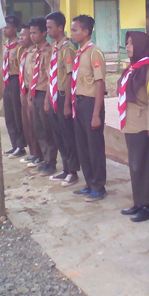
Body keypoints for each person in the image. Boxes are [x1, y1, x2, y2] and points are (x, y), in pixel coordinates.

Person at [118, 31, 149, 222]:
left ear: (142, 46)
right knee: (135, 166)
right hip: (130, 123)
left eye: (131, 43)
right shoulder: (133, 68)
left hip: (143, 125)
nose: (127, 46)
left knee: (144, 165)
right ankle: (139, 201)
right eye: (126, 43)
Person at [69, 15, 108, 202]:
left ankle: (99, 186)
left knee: (94, 147)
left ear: (85, 31)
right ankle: (89, 182)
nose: (72, 33)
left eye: (75, 30)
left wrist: (96, 114)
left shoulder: (94, 53)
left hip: (91, 104)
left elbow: (100, 84)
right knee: (82, 146)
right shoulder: (79, 53)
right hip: (79, 102)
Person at [45, 11, 80, 187]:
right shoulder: (55, 48)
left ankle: (73, 171)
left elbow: (70, 75)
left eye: (50, 27)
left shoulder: (67, 49)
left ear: (60, 27)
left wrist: (66, 104)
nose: (48, 30)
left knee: (67, 135)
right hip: (54, 94)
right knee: (58, 134)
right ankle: (65, 168)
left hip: (63, 95)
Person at [24, 17, 57, 177]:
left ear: (44, 33)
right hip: (35, 93)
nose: (32, 36)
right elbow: (31, 77)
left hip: (45, 94)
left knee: (47, 129)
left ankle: (52, 162)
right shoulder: (33, 52)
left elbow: (50, 77)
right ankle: (45, 159)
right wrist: (30, 96)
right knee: (39, 129)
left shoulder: (49, 52)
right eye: (30, 33)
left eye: (35, 33)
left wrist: (46, 100)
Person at [1, 16, 27, 159]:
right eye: (4, 27)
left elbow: (21, 67)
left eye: (8, 27)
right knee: (9, 114)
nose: (5, 30)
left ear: (15, 29)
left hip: (16, 80)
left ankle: (21, 145)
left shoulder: (19, 46)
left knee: (18, 114)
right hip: (7, 81)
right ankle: (14, 144)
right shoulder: (6, 46)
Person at [17, 23, 43, 167]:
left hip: (33, 91)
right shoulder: (26, 53)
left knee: (35, 125)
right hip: (25, 90)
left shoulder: (36, 53)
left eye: (25, 35)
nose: (22, 38)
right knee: (27, 124)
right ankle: (33, 152)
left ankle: (39, 154)